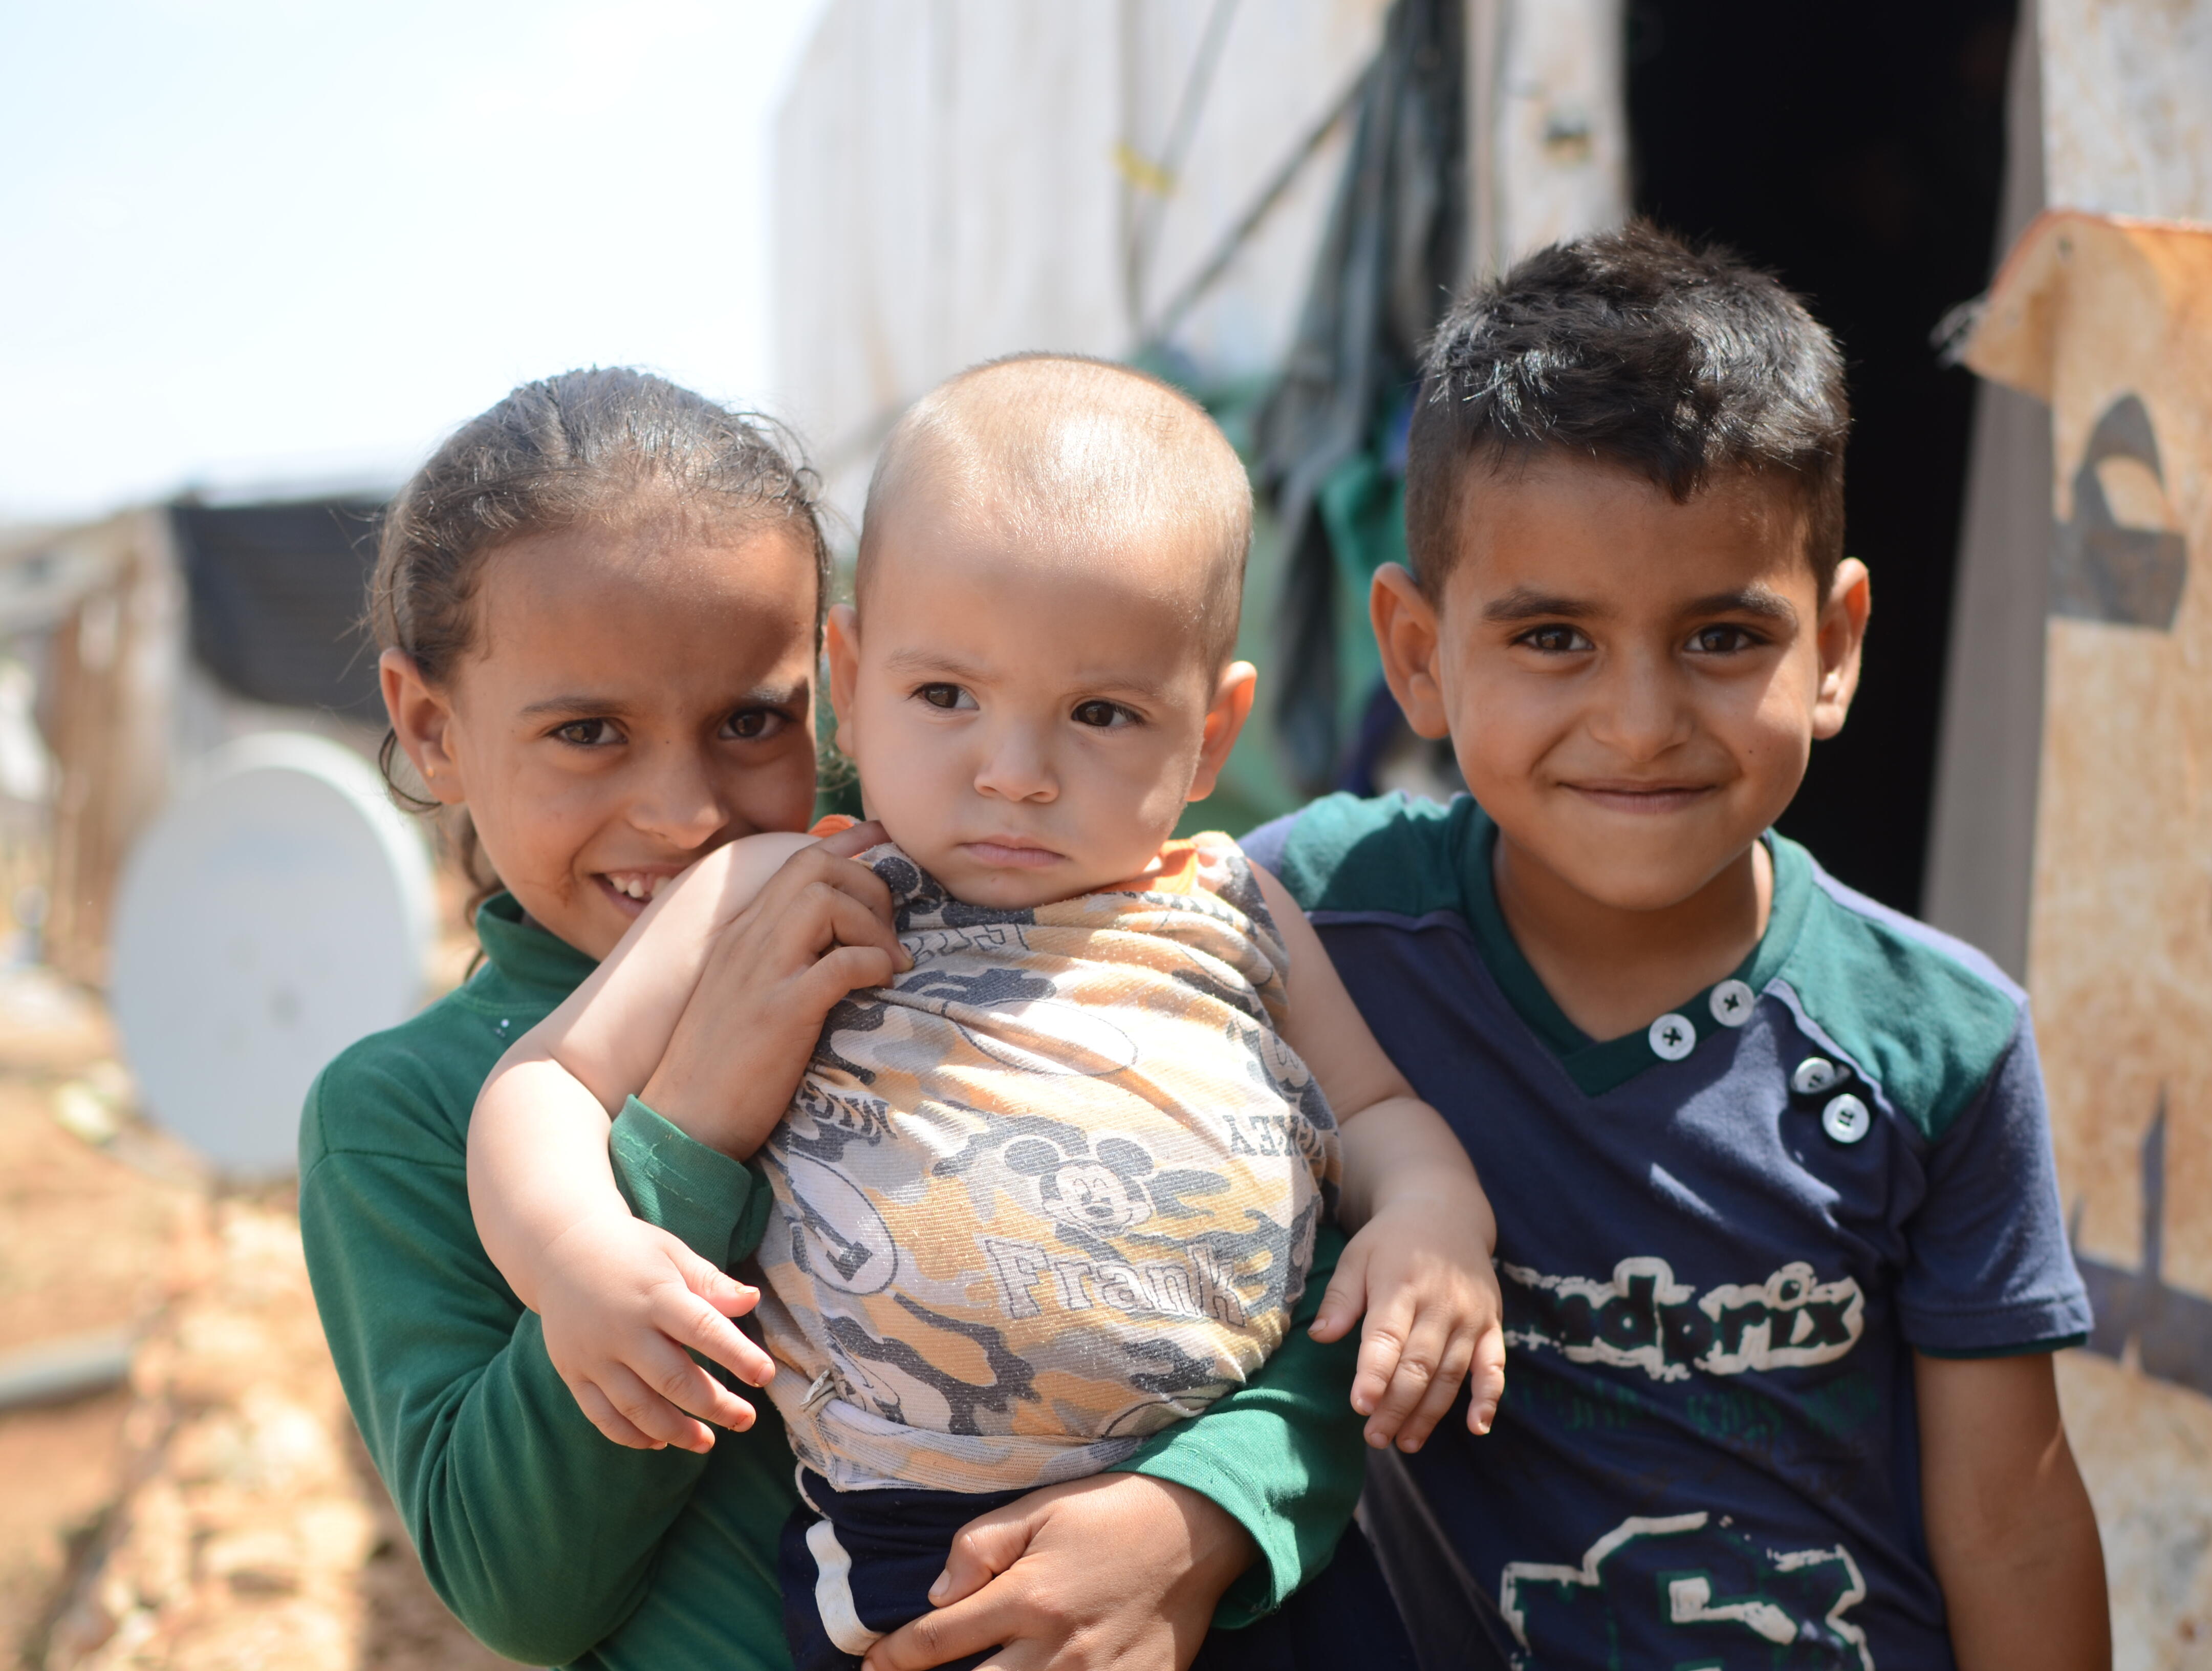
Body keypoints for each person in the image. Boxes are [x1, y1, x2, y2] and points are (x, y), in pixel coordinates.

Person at [300, 368, 1416, 1671]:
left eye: (750, 721)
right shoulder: (407, 1113)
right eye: (588, 732)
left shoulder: (1002, 926)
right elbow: (520, 1592)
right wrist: (689, 1133)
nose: (682, 811)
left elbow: (1293, 1267)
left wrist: (1199, 1511)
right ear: (432, 729)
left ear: (830, 686)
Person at [1242, 225, 2112, 1670]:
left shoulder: (1938, 1040)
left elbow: (2010, 1526)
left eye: (1720, 637)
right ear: (1417, 653)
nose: (1641, 720)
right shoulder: (1313, 923)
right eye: (1555, 641)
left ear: (1832, 650)